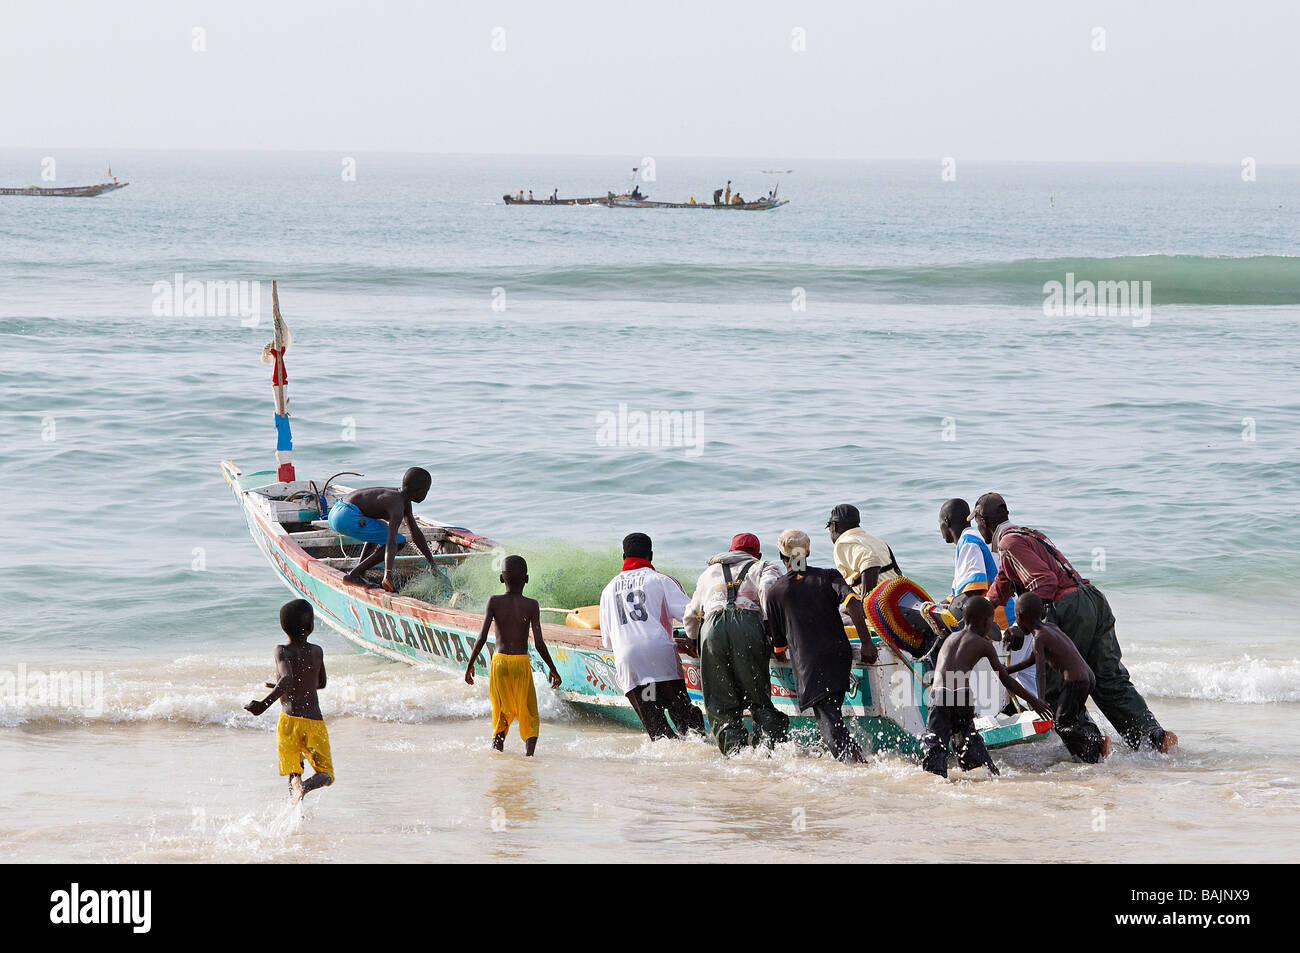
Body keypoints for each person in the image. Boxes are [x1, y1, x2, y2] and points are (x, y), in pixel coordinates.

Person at [971, 492, 1177, 753]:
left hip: (1068, 608)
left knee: (1058, 689)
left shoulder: (1008, 544)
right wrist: (974, 612)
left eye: (978, 522)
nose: (978, 528)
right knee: (1108, 679)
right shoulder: (1030, 535)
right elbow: (1001, 586)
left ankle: (1091, 747)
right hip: (1092, 601)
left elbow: (1044, 582)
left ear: (983, 521)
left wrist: (1020, 627)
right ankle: (1154, 738)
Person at [763, 529, 877, 763]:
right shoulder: (828, 576)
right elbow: (854, 604)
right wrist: (866, 642)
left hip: (810, 663)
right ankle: (847, 765)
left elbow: (779, 645)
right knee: (830, 718)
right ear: (808, 552)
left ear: (782, 556)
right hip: (839, 655)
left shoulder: (776, 591)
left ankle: (860, 771)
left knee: (830, 728)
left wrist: (778, 653)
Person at [921, 597, 1051, 779]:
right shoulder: (983, 644)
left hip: (938, 697)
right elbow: (1006, 680)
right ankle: (988, 777)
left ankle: (932, 783)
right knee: (969, 743)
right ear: (985, 622)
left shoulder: (950, 638)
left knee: (935, 748)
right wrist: (1034, 702)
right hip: (961, 698)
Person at [683, 533, 788, 755]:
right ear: (757, 554)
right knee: (758, 696)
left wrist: (693, 639)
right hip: (748, 626)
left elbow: (691, 614)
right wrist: (772, 626)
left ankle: (735, 755)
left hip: (711, 629)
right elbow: (769, 589)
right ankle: (768, 751)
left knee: (720, 703)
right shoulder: (763, 566)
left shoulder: (708, 573)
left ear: (731, 552)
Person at [598, 533, 707, 741]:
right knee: (689, 725)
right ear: (651, 555)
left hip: (630, 664)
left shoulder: (608, 590)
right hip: (660, 658)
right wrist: (691, 641)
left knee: (659, 734)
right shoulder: (661, 580)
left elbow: (608, 641)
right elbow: (691, 614)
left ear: (623, 556)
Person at [938, 498, 1035, 703]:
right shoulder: (978, 539)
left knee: (993, 697)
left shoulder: (968, 542)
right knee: (1033, 689)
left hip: (1002, 627)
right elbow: (961, 593)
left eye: (940, 523)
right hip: (1019, 622)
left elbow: (974, 592)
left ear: (946, 521)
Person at [464, 555, 562, 756]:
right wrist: (553, 668)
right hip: (520, 662)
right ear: (526, 579)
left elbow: (481, 637)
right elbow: (540, 643)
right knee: (529, 713)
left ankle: (497, 750)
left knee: (501, 711)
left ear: (502, 579)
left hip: (499, 662)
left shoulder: (493, 601)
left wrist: (470, 665)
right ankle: (529, 757)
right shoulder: (531, 605)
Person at [244, 600, 334, 803]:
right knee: (325, 774)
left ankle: (296, 798)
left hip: (289, 721)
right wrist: (281, 686)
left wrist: (263, 705)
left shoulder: (282, 650)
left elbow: (287, 679)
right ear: (311, 626)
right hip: (314, 722)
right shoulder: (317, 651)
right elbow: (320, 683)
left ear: (283, 626)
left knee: (294, 770)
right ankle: (306, 788)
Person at [1007, 594, 1110, 763]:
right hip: (1088, 678)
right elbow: (1033, 660)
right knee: (1072, 720)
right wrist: (1008, 670)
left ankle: (1097, 741)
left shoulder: (1038, 638)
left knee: (1060, 725)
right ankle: (1091, 756)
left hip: (1074, 682)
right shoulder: (1051, 627)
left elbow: (1040, 672)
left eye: (1017, 617)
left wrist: (1040, 701)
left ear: (1021, 617)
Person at [327, 467, 443, 592]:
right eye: (427, 490)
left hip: (336, 512)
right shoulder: (397, 505)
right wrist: (388, 574)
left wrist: (432, 563)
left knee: (379, 529)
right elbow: (392, 541)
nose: (426, 493)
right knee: (399, 541)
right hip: (346, 516)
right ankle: (355, 575)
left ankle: (360, 573)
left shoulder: (402, 499)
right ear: (418, 491)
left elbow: (415, 533)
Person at [827, 503, 902, 599]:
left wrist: (866, 602)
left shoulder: (843, 543)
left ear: (834, 526)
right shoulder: (874, 540)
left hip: (884, 602)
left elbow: (870, 562)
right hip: (900, 593)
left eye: (829, 527)